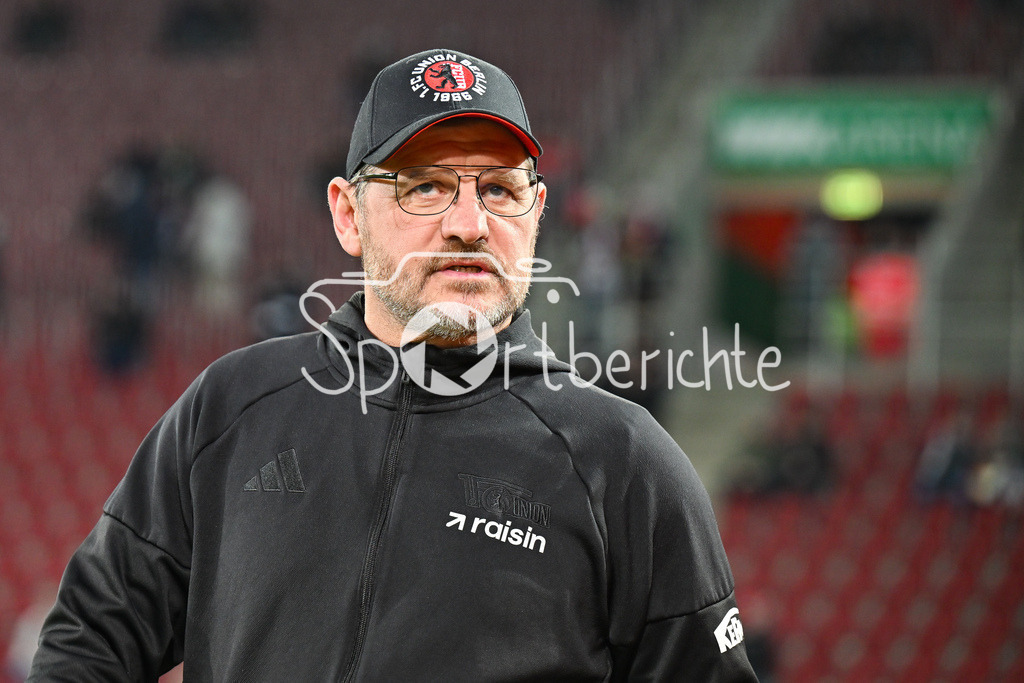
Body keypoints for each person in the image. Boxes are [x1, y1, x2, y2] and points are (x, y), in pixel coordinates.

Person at [30, 49, 756, 681]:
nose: (469, 224)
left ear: (536, 214)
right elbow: (89, 638)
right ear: (348, 215)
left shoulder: (623, 462)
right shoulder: (231, 407)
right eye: (425, 186)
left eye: (499, 189)